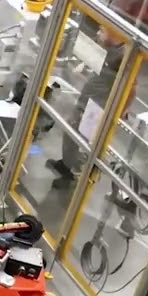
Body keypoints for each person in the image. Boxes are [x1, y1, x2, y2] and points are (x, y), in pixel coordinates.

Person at [47, 28, 128, 188]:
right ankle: (67, 164)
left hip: (97, 107)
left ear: (115, 34)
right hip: (88, 99)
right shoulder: (110, 48)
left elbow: (130, 88)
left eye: (103, 31)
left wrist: (120, 111)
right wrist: (85, 63)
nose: (98, 33)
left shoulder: (123, 57)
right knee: (71, 132)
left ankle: (74, 174)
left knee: (79, 137)